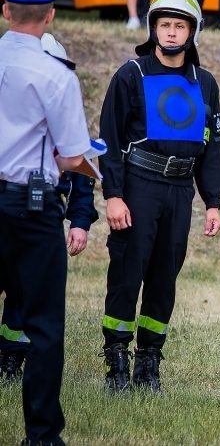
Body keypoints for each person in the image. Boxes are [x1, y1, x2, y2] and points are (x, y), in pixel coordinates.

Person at [98, 0, 220, 394]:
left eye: (179, 25)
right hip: (138, 186)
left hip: (179, 190)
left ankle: (148, 363)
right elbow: (109, 139)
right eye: (164, 24)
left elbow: (213, 147)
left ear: (193, 31)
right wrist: (113, 195)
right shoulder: (130, 74)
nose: (171, 32)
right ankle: (117, 359)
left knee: (163, 279)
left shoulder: (204, 83)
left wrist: (213, 201)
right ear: (153, 28)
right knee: (127, 273)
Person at [0, 0, 92, 446]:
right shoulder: (55, 75)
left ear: (4, 9)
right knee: (43, 324)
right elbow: (75, 155)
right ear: (51, 15)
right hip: (28, 204)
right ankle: (40, 435)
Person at [0, 33, 99, 383]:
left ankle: (11, 359)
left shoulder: (66, 112)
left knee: (26, 293)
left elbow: (83, 172)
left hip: (41, 212)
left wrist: (80, 221)